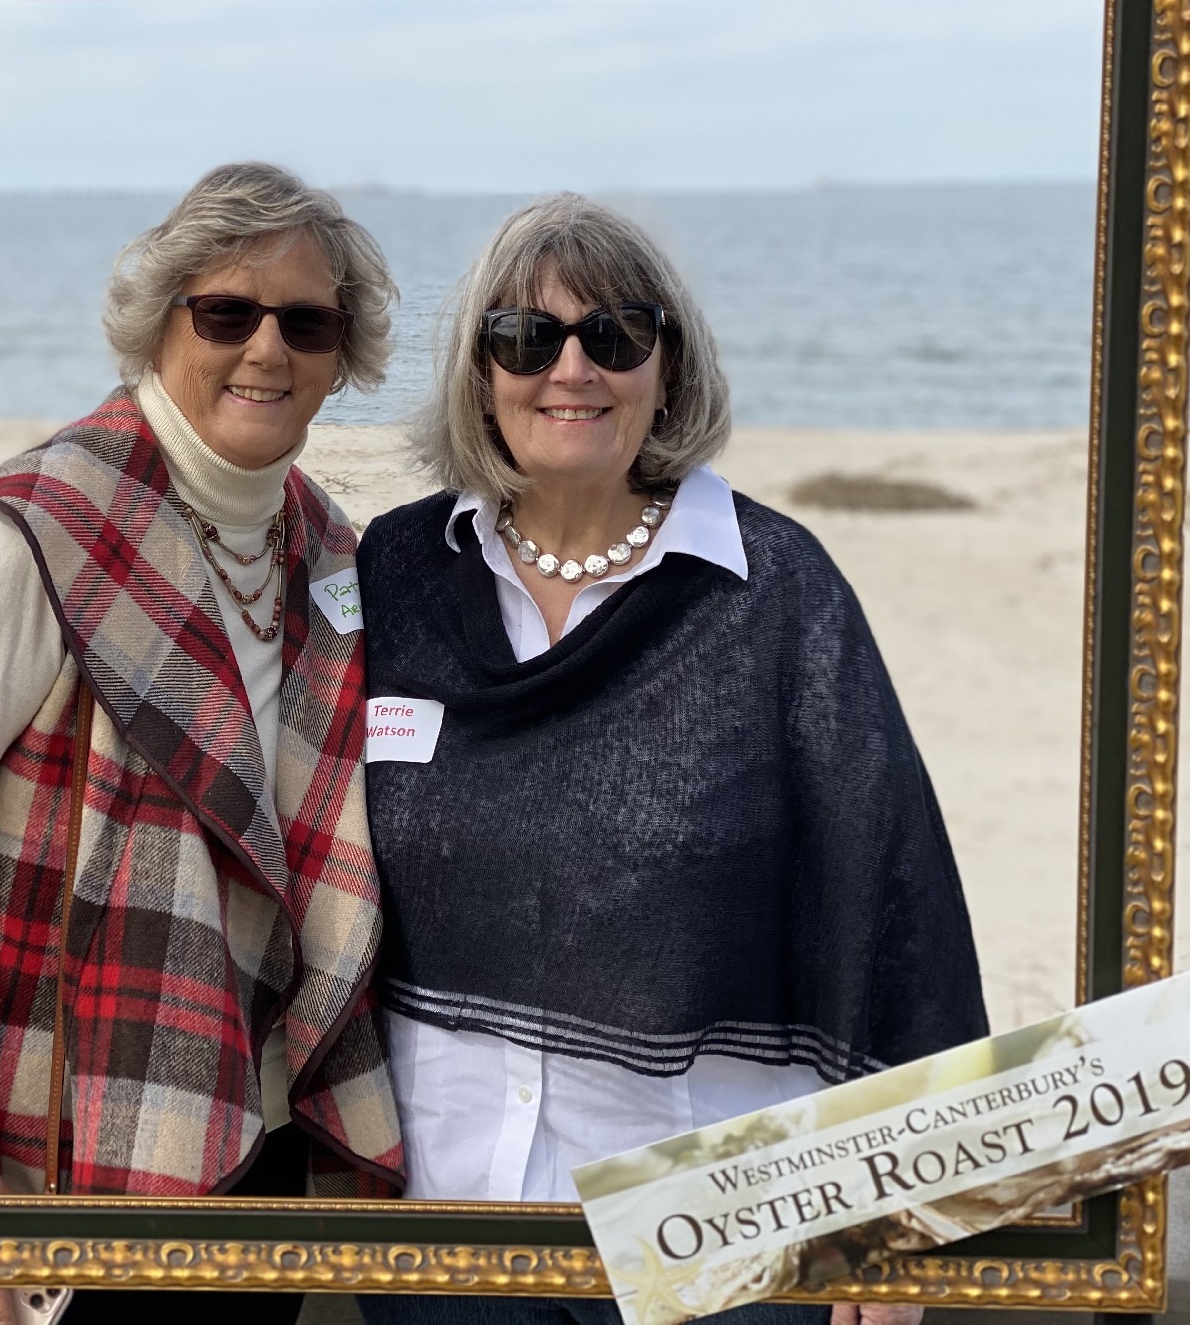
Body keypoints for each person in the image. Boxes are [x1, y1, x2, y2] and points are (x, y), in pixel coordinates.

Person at [354, 194, 987, 1325]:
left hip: (713, 1216)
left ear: (667, 364)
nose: (571, 370)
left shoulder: (772, 590)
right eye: (526, 337)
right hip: (448, 1207)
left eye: (616, 336)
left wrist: (903, 1209)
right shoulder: (399, 572)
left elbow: (891, 889)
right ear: (479, 369)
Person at [0, 163, 404, 1325]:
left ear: (345, 353)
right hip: (30, 1175)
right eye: (227, 313)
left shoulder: (325, 552)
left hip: (241, 1166)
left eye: (308, 321)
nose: (266, 351)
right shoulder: (33, 533)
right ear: (159, 320)